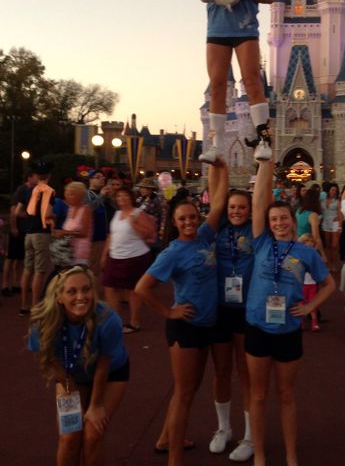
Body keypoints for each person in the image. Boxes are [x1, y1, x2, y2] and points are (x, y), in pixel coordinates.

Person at [135, 160, 229, 466]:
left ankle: (165, 439)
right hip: (186, 327)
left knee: (187, 390)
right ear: (175, 222)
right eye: (183, 219)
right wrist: (168, 312)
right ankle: (174, 458)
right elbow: (142, 288)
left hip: (207, 325)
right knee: (184, 394)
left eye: (192, 216)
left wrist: (221, 165)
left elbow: (219, 202)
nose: (189, 222)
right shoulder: (173, 252)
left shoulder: (204, 235)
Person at [245, 159, 335, 466]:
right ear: (268, 223)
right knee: (258, 396)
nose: (279, 223)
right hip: (257, 327)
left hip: (287, 331)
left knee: (286, 395)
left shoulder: (305, 251)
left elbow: (329, 283)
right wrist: (264, 162)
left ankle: (291, 456)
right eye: (274, 219)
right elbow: (258, 201)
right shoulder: (260, 244)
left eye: (283, 218)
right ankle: (259, 454)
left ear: (291, 219)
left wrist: (310, 306)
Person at [28, 265, 129, 466]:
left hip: (110, 374)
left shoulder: (108, 318)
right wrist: (70, 389)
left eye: (86, 289)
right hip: (70, 375)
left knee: (93, 435)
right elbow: (50, 360)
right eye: (71, 291)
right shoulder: (42, 321)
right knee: (69, 435)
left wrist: (96, 405)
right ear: (59, 296)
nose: (81, 296)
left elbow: (103, 363)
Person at [199, 0, 274, 165]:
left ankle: (263, 139)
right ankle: (217, 145)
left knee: (252, 81)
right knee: (218, 85)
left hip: (244, 29)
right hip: (217, 28)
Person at [208, 179, 255, 461]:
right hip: (220, 308)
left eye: (242, 207)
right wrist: (219, 168)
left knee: (245, 372)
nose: (237, 211)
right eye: (232, 207)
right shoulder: (218, 230)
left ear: (250, 210)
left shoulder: (256, 230)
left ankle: (249, 436)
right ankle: (223, 428)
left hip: (245, 309)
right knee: (221, 370)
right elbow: (215, 198)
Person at [101, 187, 156, 333]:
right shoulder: (117, 213)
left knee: (133, 290)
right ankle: (113, 321)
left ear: (131, 198)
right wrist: (104, 254)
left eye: (125, 196)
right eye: (119, 197)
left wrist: (134, 224)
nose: (122, 199)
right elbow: (111, 235)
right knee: (109, 287)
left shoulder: (138, 213)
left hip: (135, 257)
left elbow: (149, 232)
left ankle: (134, 322)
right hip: (115, 257)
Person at [17, 162, 55, 314]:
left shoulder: (28, 190)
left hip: (29, 234)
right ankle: (35, 306)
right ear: (49, 176)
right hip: (41, 234)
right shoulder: (49, 191)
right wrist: (53, 217)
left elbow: (18, 211)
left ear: (37, 175)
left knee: (27, 270)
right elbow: (47, 214)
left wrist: (29, 217)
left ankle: (24, 305)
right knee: (39, 271)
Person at [2, 171, 37, 297]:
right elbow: (13, 210)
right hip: (18, 229)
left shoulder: (34, 191)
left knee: (21, 259)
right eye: (35, 176)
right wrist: (14, 227)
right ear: (29, 177)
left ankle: (17, 284)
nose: (38, 179)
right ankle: (5, 285)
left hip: (26, 229)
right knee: (11, 258)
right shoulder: (21, 190)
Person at [55, 182, 93, 267]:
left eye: (71, 194)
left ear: (79, 196)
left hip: (80, 252)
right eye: (67, 194)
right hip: (67, 252)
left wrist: (64, 232)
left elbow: (84, 233)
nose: (67, 197)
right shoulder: (70, 209)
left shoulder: (85, 210)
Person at [136, 177, 168, 255]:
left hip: (155, 232)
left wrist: (162, 230)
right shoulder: (139, 200)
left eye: (143, 188)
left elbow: (163, 215)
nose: (141, 190)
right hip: (142, 232)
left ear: (149, 189)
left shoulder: (158, 199)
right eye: (140, 188)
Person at [298, 234, 321, 332]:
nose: (310, 244)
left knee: (312, 303)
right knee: (301, 303)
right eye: (307, 241)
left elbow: (320, 265)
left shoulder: (315, 254)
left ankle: (314, 322)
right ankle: (301, 323)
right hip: (302, 284)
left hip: (312, 283)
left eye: (312, 242)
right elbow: (290, 265)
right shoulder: (299, 254)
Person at [321, 183, 342, 272]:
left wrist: (340, 226)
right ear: (329, 190)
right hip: (325, 223)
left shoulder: (337, 201)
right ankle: (329, 264)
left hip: (335, 223)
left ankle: (334, 264)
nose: (333, 192)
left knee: (334, 245)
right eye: (332, 190)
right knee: (328, 245)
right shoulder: (322, 200)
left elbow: (340, 214)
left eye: (335, 190)